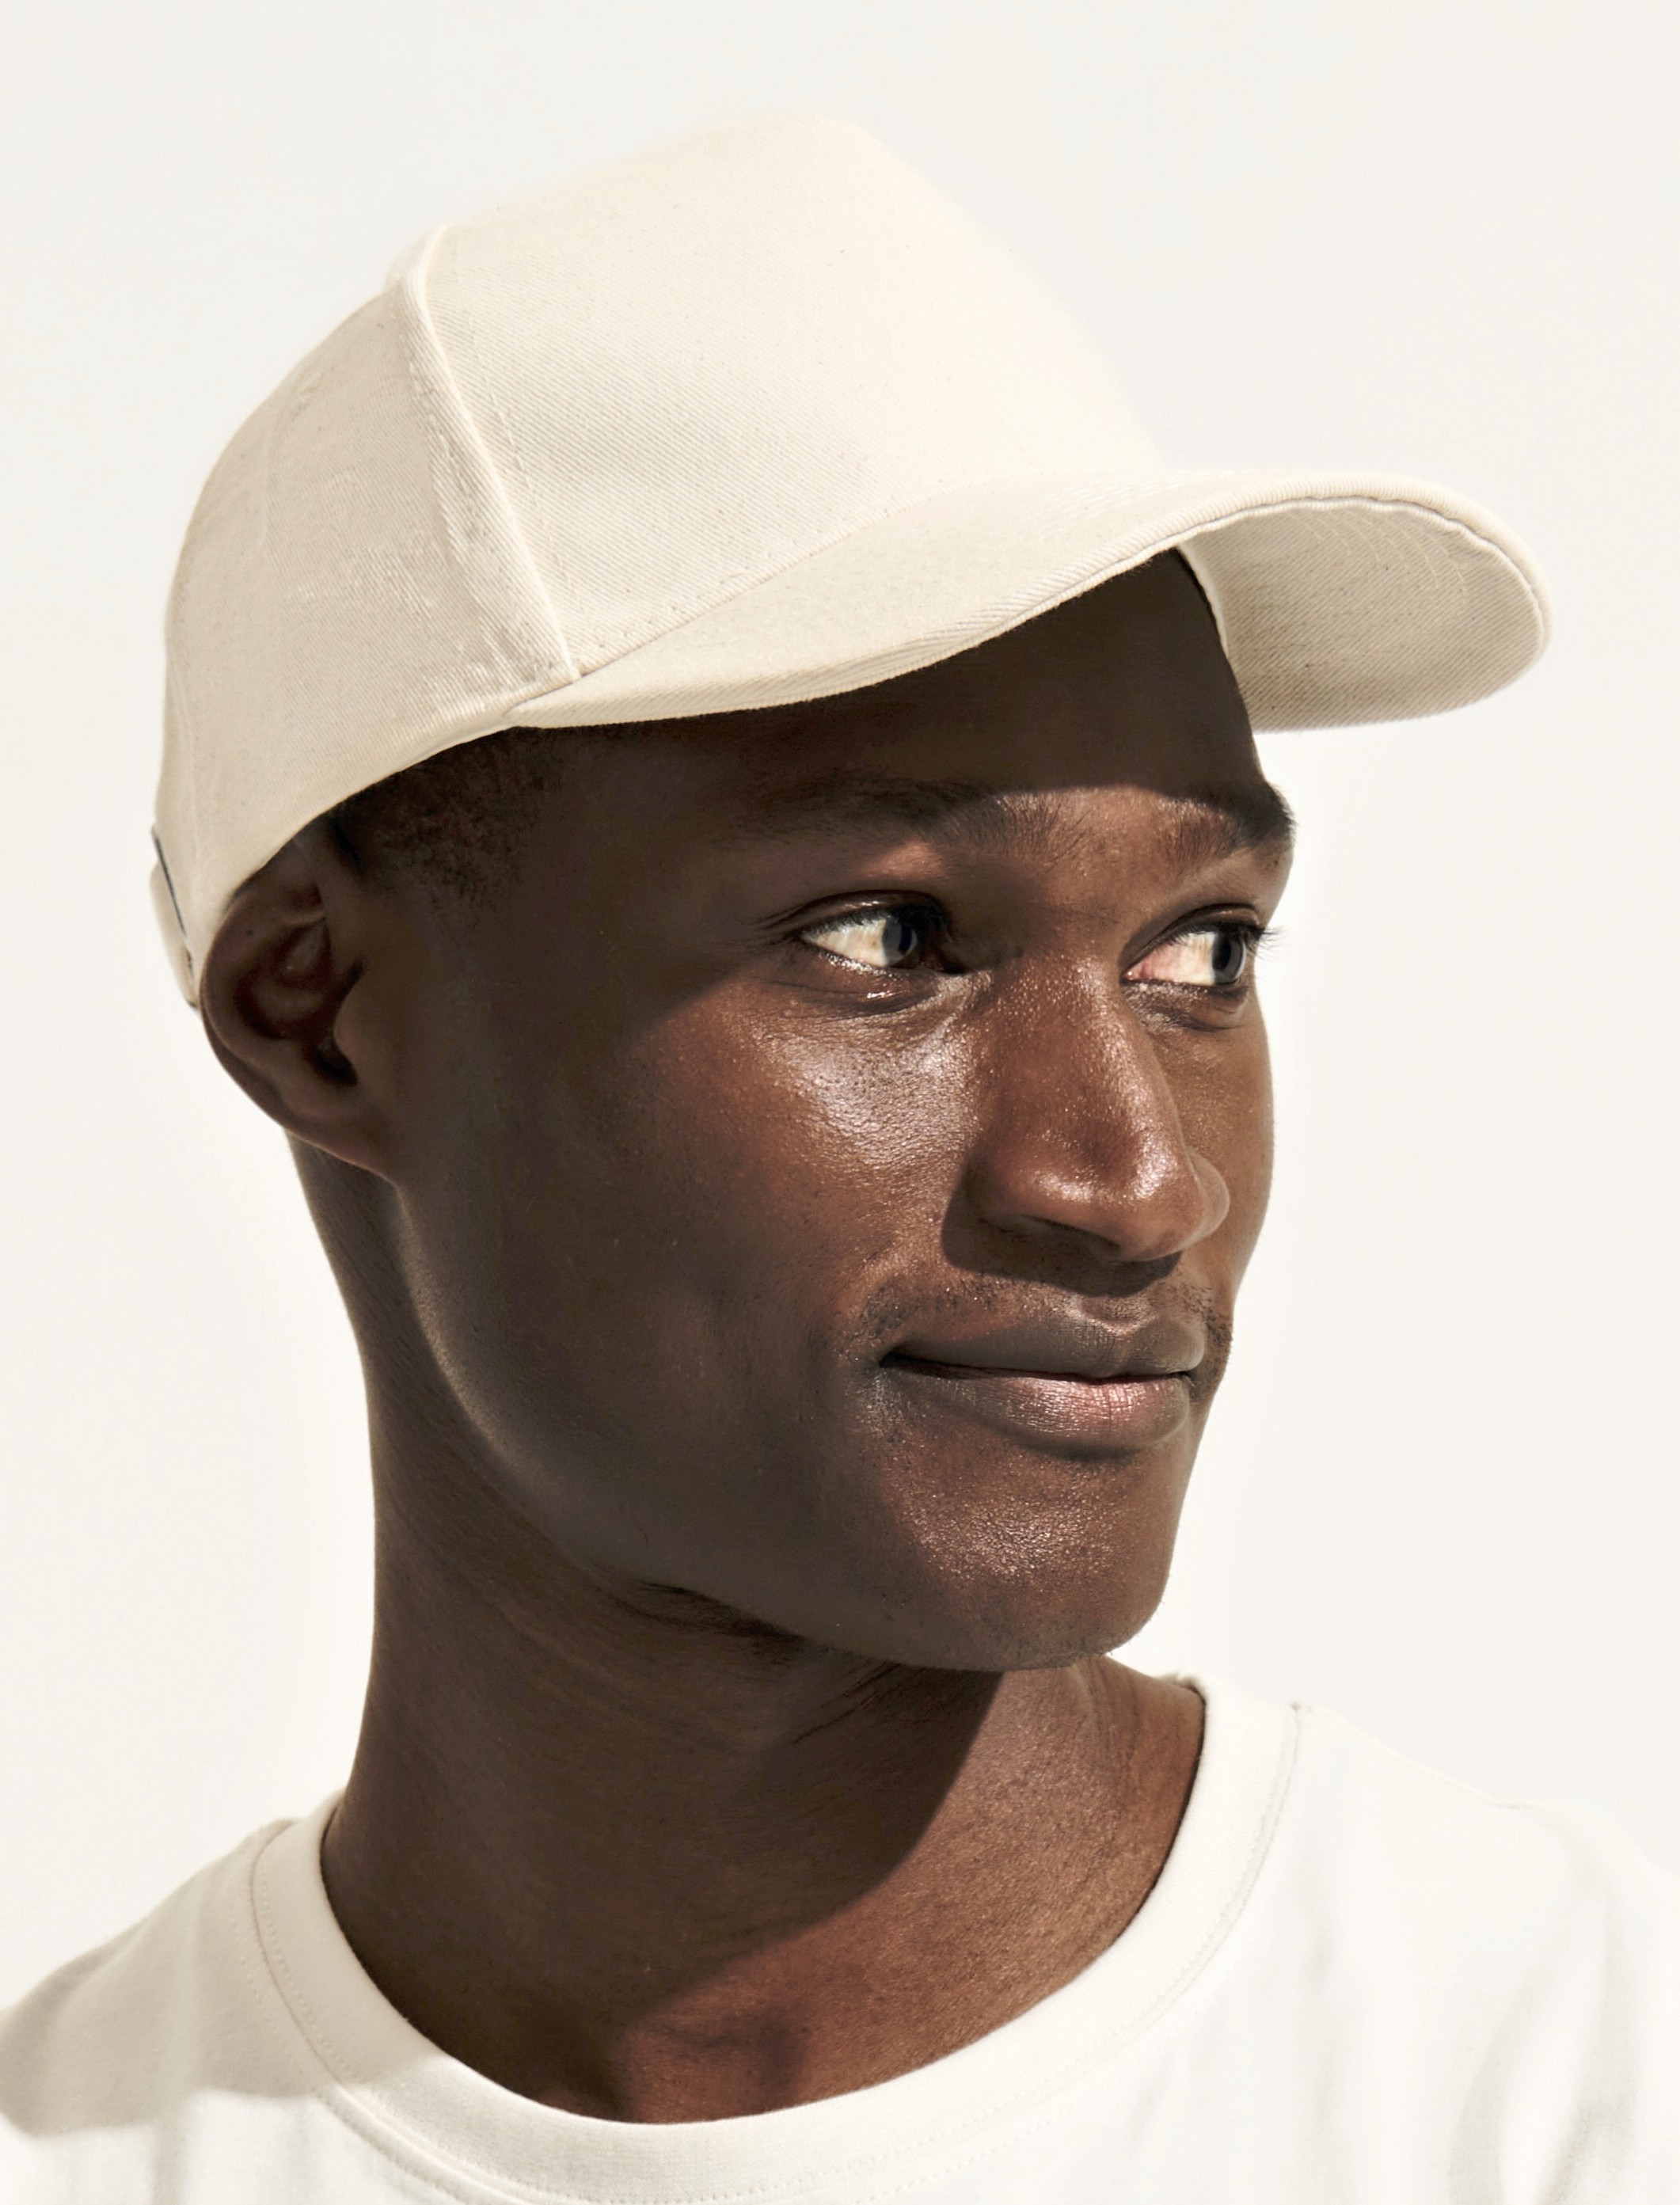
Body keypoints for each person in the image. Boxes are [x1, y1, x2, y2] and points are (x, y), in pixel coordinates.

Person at [1, 112, 1673, 2203]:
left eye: (1201, 951)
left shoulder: (1576, 2094)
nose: (1137, 1181)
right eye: (886, 940)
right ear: (317, 1008)